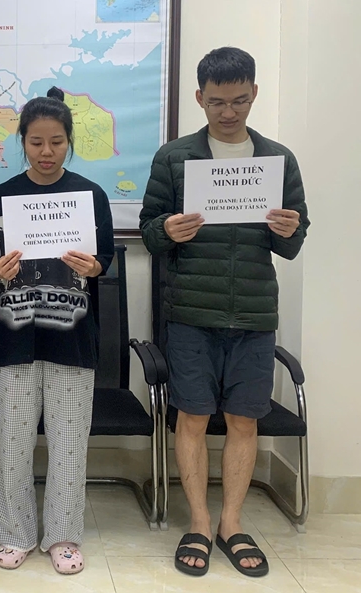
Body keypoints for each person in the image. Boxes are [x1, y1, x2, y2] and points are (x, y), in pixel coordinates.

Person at [139, 47, 309, 578]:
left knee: (243, 420)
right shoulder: (174, 157)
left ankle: (231, 523)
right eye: (217, 102)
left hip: (254, 314)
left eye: (239, 101)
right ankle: (198, 521)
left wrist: (289, 229)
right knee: (191, 417)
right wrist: (166, 230)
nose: (228, 112)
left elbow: (293, 241)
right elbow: (150, 231)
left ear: (254, 93)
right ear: (199, 98)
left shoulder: (277, 159)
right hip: (191, 312)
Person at [0, 87, 114, 575]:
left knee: (70, 444)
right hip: (13, 335)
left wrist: (94, 267)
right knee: (13, 444)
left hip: (72, 336)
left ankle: (63, 536)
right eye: (36, 142)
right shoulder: (2, 195)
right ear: (23, 142)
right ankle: (15, 533)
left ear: (69, 141)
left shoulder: (90, 195)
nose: (47, 152)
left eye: (56, 142)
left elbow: (104, 259)